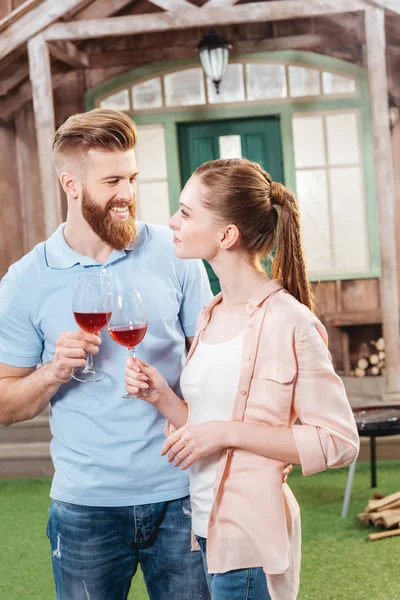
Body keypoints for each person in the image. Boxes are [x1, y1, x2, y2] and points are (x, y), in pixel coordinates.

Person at [0, 108, 214, 600]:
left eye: (133, 177)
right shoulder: (26, 280)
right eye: (112, 180)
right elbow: (7, 405)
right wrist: (53, 372)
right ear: (71, 184)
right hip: (85, 508)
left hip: (182, 494)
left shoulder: (175, 252)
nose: (128, 193)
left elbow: (212, 362)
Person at [124, 158, 360, 600]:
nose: (173, 221)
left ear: (226, 235)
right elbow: (206, 427)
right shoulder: (210, 313)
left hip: (251, 538)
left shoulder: (291, 321)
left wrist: (226, 433)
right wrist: (162, 398)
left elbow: (339, 440)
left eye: (186, 212)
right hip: (204, 528)